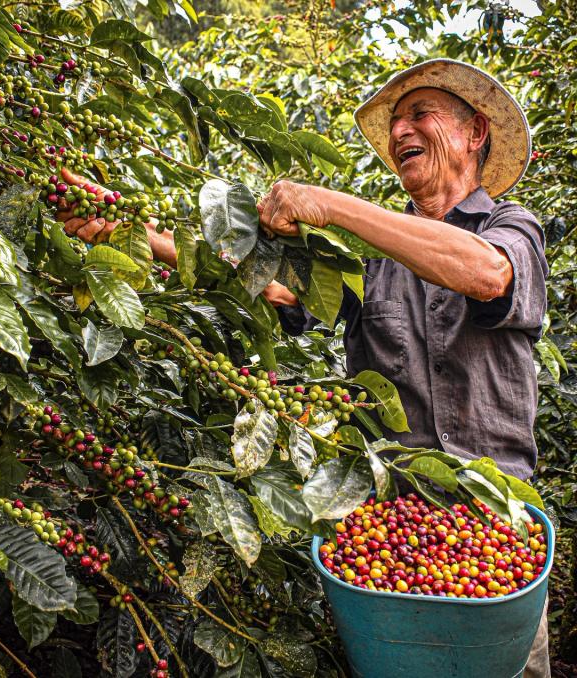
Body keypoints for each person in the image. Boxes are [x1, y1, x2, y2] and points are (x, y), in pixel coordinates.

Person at [57, 58, 549, 677]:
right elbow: (274, 285)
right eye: (395, 122)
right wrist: (130, 230)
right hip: (390, 525)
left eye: (419, 115)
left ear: (475, 132)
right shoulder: (369, 259)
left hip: (495, 522)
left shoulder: (512, 229)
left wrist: (333, 205)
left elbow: (484, 273)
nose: (401, 132)